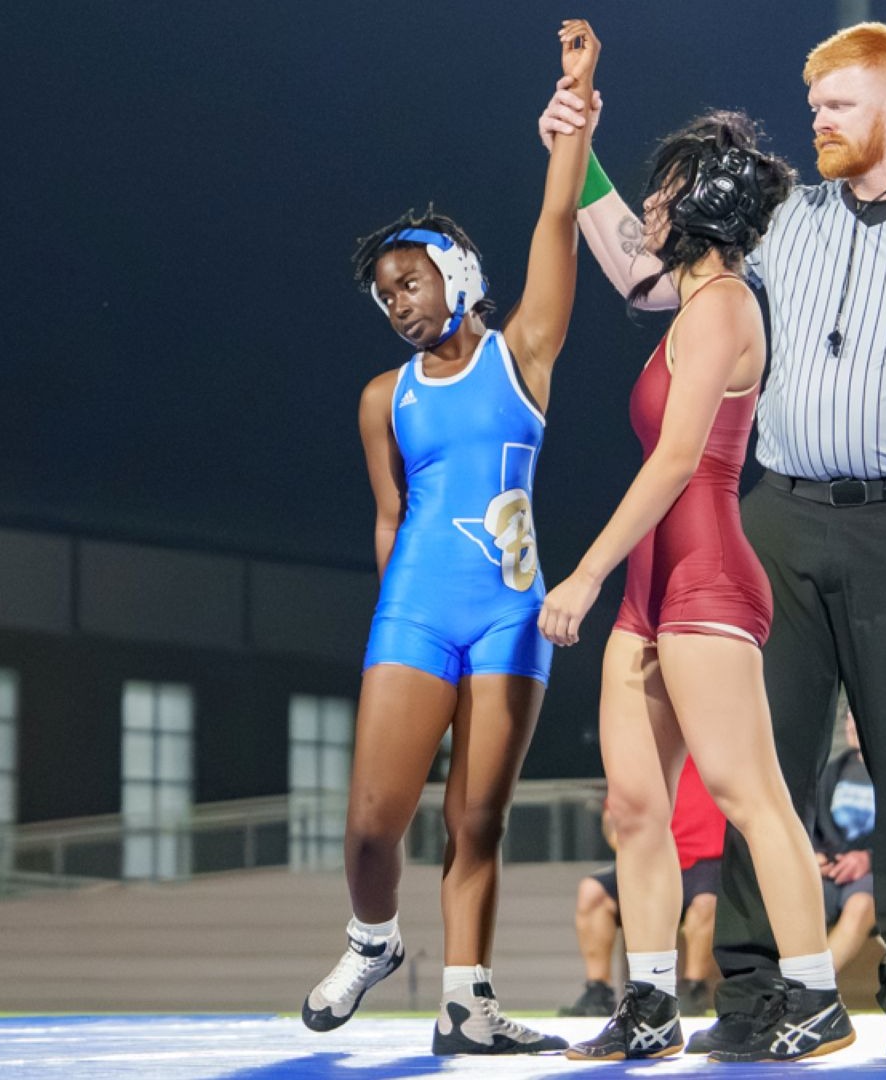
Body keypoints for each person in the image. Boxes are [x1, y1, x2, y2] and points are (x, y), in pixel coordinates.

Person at [539, 20, 886, 1055]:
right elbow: (645, 272)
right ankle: (752, 999)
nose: (818, 122)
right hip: (777, 511)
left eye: (838, 105)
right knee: (758, 769)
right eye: (816, 105)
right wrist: (583, 149)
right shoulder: (783, 225)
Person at [299, 20, 599, 1056]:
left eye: (409, 282)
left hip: (509, 614)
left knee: (475, 822)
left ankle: (466, 1002)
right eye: (384, 297)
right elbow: (390, 519)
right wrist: (398, 619)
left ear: (456, 270)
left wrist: (575, 110)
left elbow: (559, 218)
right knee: (372, 823)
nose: (398, 305)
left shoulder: (523, 356)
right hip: (418, 610)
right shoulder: (383, 398)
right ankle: (372, 938)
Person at [534, 103, 855, 1063]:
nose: (648, 205)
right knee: (633, 806)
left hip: (706, 573)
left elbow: (677, 461)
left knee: (747, 793)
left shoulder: (725, 307)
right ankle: (650, 1006)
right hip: (652, 582)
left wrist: (584, 574)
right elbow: (618, 251)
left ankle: (817, 1002)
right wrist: (575, 134)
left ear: (703, 207)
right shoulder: (689, 292)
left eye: (665, 190)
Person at [559, 757, 725, 1018]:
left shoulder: (714, 754)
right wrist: (630, 852)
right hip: (651, 860)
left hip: (703, 862)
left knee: (707, 901)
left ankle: (692, 989)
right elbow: (612, 816)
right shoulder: (649, 756)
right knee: (592, 891)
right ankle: (597, 991)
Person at [813, 707, 877, 973]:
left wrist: (870, 857)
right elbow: (808, 821)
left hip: (879, 872)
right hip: (830, 867)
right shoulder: (831, 771)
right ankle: (785, 986)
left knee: (860, 904)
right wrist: (814, 855)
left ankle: (816, 986)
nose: (851, 724)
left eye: (859, 714)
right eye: (848, 716)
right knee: (801, 900)